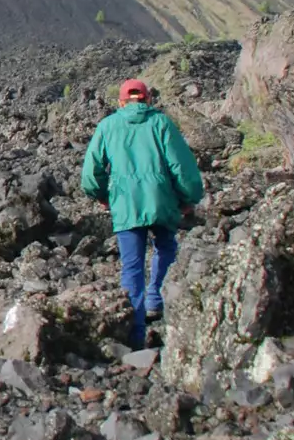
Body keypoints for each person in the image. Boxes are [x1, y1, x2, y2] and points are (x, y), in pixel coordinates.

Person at [80, 77, 203, 350]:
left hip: (126, 204)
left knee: (132, 267)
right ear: (148, 99)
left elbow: (91, 173)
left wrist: (103, 196)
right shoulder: (161, 123)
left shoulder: (108, 126)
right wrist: (189, 198)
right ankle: (157, 300)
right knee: (167, 248)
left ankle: (136, 335)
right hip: (162, 200)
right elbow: (181, 166)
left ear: (121, 102)